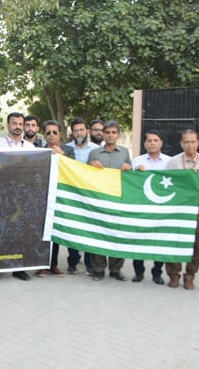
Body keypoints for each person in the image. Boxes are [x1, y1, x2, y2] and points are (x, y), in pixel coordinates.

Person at [165, 129, 199, 290]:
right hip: (178, 207)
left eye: (193, 141)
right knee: (175, 240)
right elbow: (167, 186)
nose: (189, 145)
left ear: (198, 143)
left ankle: (190, 275)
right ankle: (174, 274)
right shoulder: (173, 162)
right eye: (186, 142)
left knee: (197, 242)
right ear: (181, 143)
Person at [0, 112, 37, 282]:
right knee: (1, 230)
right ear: (8, 125)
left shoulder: (31, 148)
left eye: (20, 123)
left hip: (23, 195)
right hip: (4, 195)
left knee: (20, 232)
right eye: (14, 123)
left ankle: (19, 269)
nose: (18, 126)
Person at [87, 120, 131, 281]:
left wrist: (129, 169)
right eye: (107, 132)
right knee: (98, 233)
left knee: (118, 234)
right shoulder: (94, 154)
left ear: (118, 135)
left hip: (118, 200)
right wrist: (91, 165)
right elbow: (84, 175)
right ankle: (98, 269)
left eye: (113, 132)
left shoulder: (125, 152)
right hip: (99, 199)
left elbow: (130, 177)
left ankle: (116, 270)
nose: (110, 135)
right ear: (103, 134)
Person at [130, 130, 172, 285]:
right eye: (149, 140)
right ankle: (138, 272)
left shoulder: (170, 162)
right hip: (142, 208)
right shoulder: (137, 161)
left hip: (162, 209)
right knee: (139, 239)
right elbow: (131, 183)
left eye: (156, 140)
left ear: (161, 143)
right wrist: (136, 173)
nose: (152, 143)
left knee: (159, 241)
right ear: (145, 144)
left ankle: (157, 272)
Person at [35, 119, 74, 278]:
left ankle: (53, 264)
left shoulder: (68, 151)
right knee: (42, 230)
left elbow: (74, 169)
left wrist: (61, 156)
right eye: (48, 133)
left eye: (54, 133)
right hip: (42, 195)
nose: (51, 136)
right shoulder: (39, 151)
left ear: (60, 135)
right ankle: (41, 264)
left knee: (55, 231)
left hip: (59, 195)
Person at [65, 117, 96, 275]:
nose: (78, 133)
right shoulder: (66, 148)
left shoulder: (96, 149)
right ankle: (73, 261)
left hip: (91, 194)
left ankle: (90, 263)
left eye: (81, 130)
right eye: (75, 130)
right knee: (72, 227)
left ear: (87, 131)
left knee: (90, 228)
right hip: (72, 194)